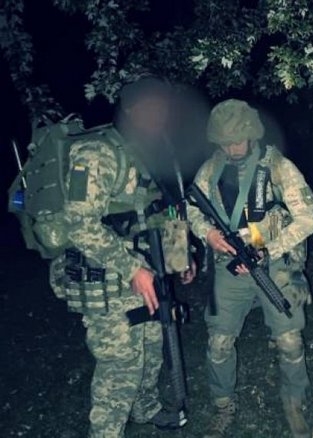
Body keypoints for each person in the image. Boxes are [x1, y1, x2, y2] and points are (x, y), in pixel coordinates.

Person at [51, 76, 195, 437]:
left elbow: (161, 210)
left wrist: (180, 257)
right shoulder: (97, 153)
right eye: (152, 110)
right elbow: (80, 225)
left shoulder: (149, 152)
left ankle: (146, 409)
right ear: (130, 110)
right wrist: (132, 269)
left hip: (146, 273)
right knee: (121, 366)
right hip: (107, 278)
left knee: (152, 347)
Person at [186, 99, 313, 438]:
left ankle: (294, 402)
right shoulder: (210, 170)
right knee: (219, 343)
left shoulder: (277, 167)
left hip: (273, 264)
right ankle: (223, 405)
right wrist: (207, 234)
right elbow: (192, 209)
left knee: (289, 341)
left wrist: (270, 249)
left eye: (237, 141)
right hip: (228, 267)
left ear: (251, 134)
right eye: (225, 142)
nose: (232, 148)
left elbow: (307, 220)